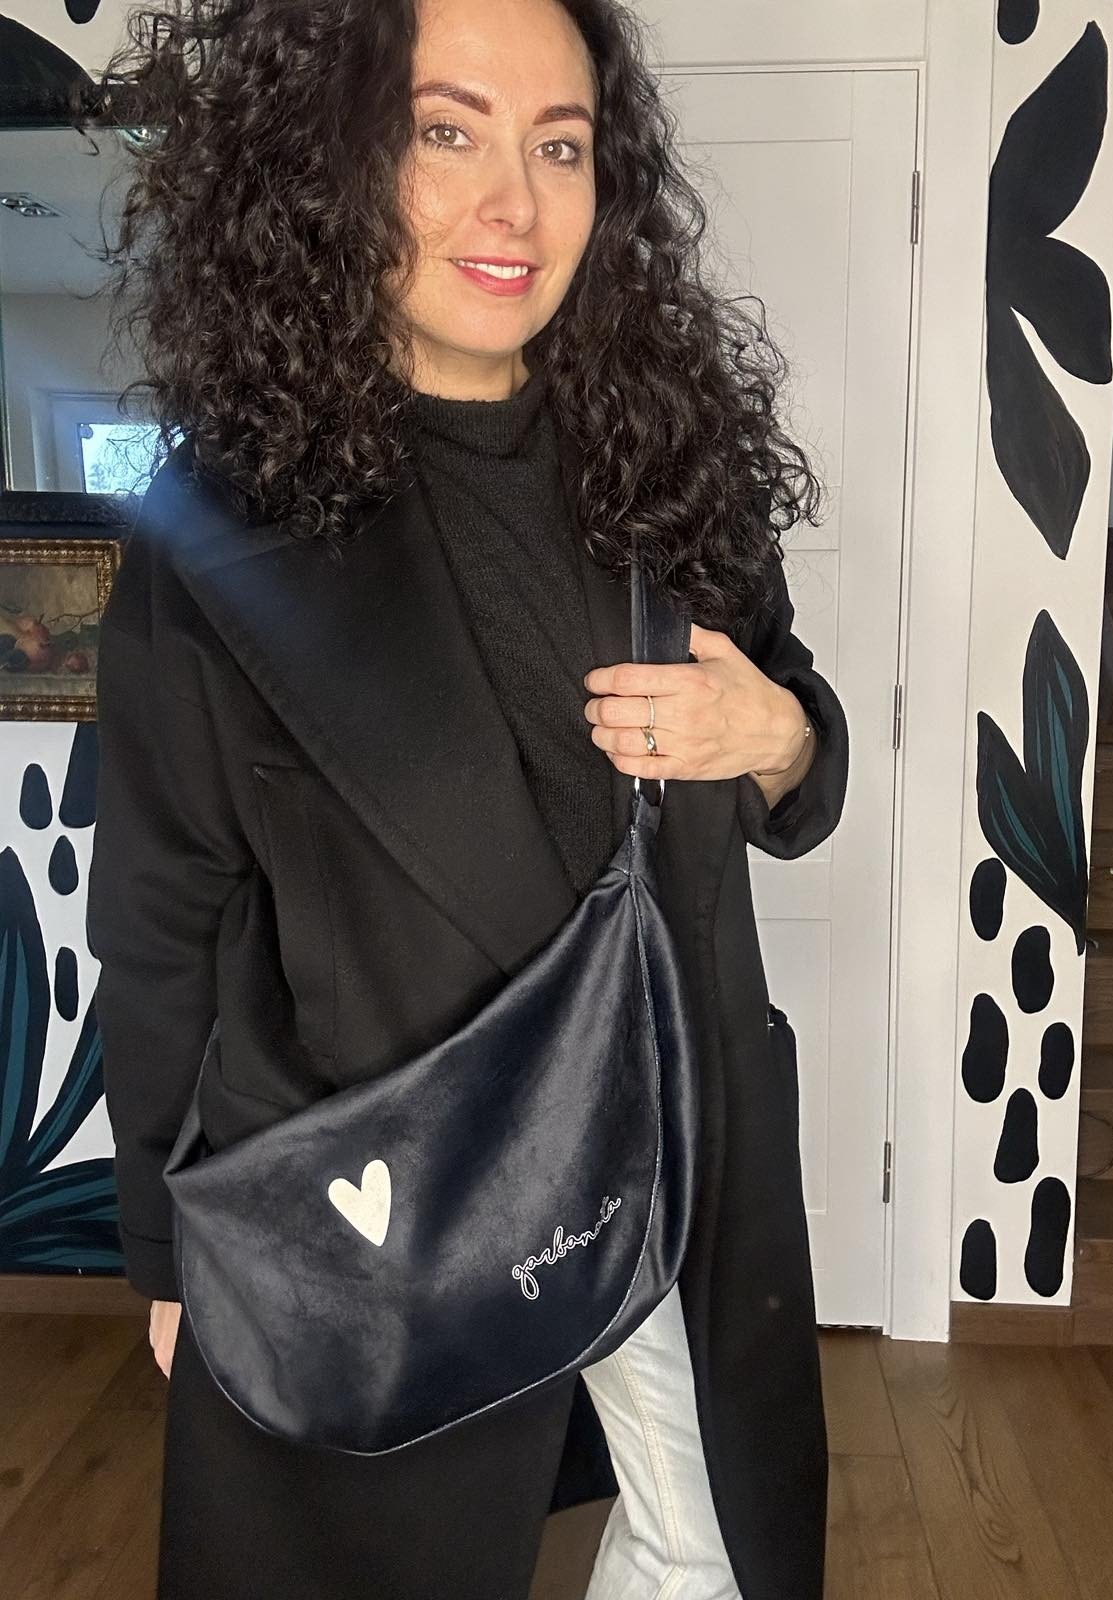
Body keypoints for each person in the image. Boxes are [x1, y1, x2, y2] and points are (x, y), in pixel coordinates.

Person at [83, 0, 850, 1596]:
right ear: (333, 164)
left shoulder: (667, 458)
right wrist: (166, 1256)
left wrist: (772, 734)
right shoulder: (212, 534)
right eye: (447, 131)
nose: (514, 202)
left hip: (670, 1155)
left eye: (559, 146)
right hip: (393, 1203)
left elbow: (796, 761)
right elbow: (161, 916)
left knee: (707, 1547)